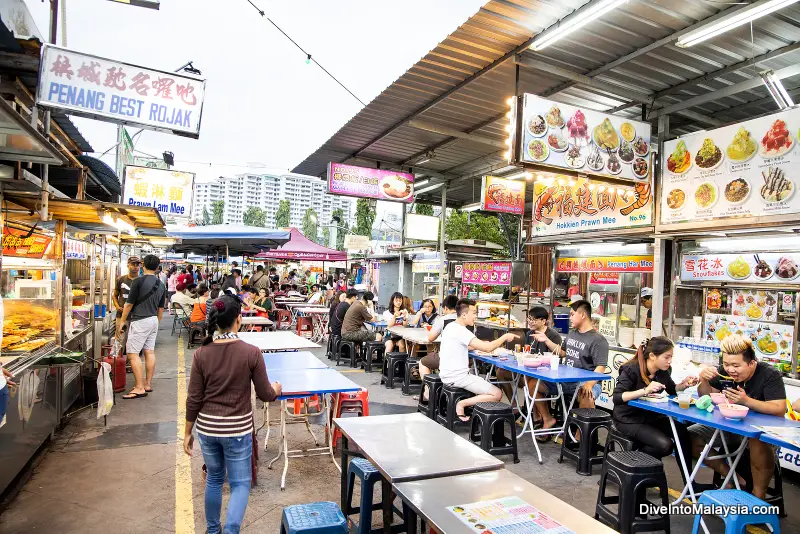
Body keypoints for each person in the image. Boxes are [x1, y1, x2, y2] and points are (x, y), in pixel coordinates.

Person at [184, 294, 282, 534]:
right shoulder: (251, 352)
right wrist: (277, 390)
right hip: (237, 430)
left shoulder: (201, 354)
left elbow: (194, 397)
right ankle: (230, 531)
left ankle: (213, 530)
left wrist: (187, 431)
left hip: (207, 430)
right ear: (239, 320)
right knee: (240, 484)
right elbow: (265, 394)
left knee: (215, 479)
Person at [689, 334, 786, 499]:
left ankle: (757, 498)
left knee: (757, 439)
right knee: (691, 436)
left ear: (751, 363)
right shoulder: (724, 372)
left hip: (761, 431)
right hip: (729, 425)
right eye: (726, 364)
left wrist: (746, 401)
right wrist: (704, 381)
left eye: (736, 365)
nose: (730, 370)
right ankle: (732, 478)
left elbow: (779, 409)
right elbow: (706, 395)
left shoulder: (769, 375)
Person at [613, 337, 695, 464]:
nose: (670, 361)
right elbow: (618, 397)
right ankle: (630, 461)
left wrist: (683, 385)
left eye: (671, 357)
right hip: (629, 418)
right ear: (652, 355)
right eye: (666, 357)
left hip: (652, 416)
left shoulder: (664, 371)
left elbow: (672, 389)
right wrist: (645, 390)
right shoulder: (631, 369)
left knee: (682, 432)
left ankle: (689, 482)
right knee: (665, 445)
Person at [438, 299, 517, 422]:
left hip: (446, 374)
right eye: (474, 313)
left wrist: (480, 344)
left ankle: (470, 407)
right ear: (464, 315)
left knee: (482, 383)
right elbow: (487, 348)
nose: (476, 316)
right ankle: (462, 404)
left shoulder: (450, 326)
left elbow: (465, 345)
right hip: (458, 377)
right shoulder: (462, 331)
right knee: (497, 394)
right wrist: (505, 337)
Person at [532, 299, 608, 416]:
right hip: (566, 380)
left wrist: (589, 384)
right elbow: (562, 352)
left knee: (586, 395)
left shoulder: (598, 339)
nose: (570, 318)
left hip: (586, 382)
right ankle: (548, 419)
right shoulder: (572, 333)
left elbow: (601, 367)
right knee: (533, 384)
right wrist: (546, 340)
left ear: (582, 315)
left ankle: (580, 434)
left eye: (572, 314)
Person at [495, 307, 563, 423]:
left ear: (543, 321)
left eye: (533, 319)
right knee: (501, 372)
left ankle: (537, 416)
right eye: (529, 319)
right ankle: (515, 406)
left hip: (544, 376)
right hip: (528, 370)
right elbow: (527, 353)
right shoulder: (530, 333)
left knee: (530, 379)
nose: (530, 322)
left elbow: (558, 356)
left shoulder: (553, 335)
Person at [116, 254, 166, 400]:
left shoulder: (138, 281)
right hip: (153, 320)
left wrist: (122, 322)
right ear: (157, 268)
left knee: (132, 354)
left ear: (143, 265)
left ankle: (139, 387)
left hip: (139, 320)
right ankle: (147, 383)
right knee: (149, 352)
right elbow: (161, 309)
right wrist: (156, 322)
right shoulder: (161, 284)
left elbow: (129, 304)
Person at [417, 295, 458, 401]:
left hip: (447, 359)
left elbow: (430, 338)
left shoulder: (443, 319)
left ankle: (428, 394)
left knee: (423, 362)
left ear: (445, 308)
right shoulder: (464, 319)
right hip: (465, 360)